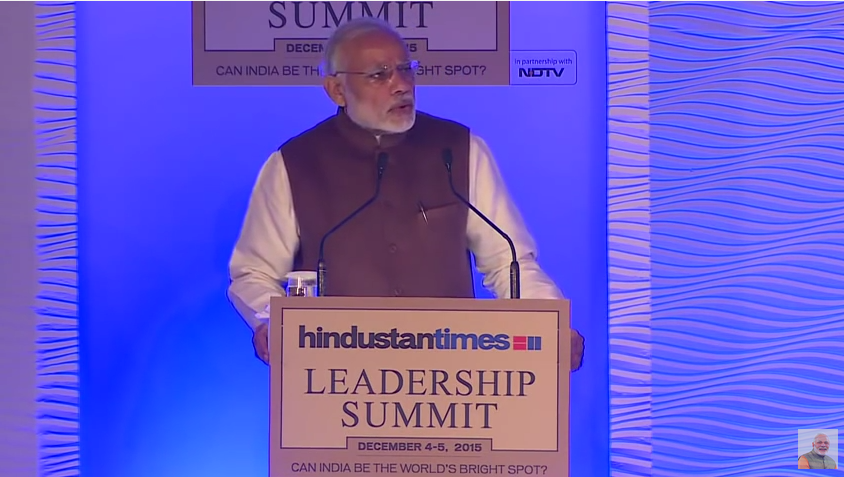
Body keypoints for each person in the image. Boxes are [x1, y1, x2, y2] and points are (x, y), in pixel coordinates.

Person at [226, 17, 584, 370]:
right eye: (379, 74)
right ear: (336, 90)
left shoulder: (459, 149)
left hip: (453, 379)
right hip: (334, 379)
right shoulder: (294, 163)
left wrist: (552, 327)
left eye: (406, 69)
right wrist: (272, 322)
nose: (401, 85)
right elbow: (254, 273)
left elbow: (510, 263)